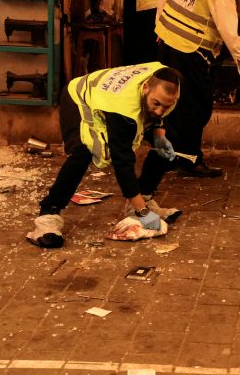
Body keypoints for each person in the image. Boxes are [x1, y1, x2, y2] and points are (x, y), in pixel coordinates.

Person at [27, 63, 182, 249]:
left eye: (166, 106)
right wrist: (143, 214)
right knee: (83, 151)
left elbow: (158, 117)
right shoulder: (122, 108)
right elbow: (122, 161)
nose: (159, 111)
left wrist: (159, 136)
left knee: (168, 147)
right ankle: (47, 216)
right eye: (156, 104)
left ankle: (143, 199)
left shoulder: (170, 85)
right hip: (80, 97)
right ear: (145, 88)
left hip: (112, 99)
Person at [146, 0, 240, 179]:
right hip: (190, 50)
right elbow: (230, 35)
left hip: (167, 44)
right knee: (198, 107)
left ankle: (170, 155)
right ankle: (189, 161)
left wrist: (159, 27)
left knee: (172, 104)